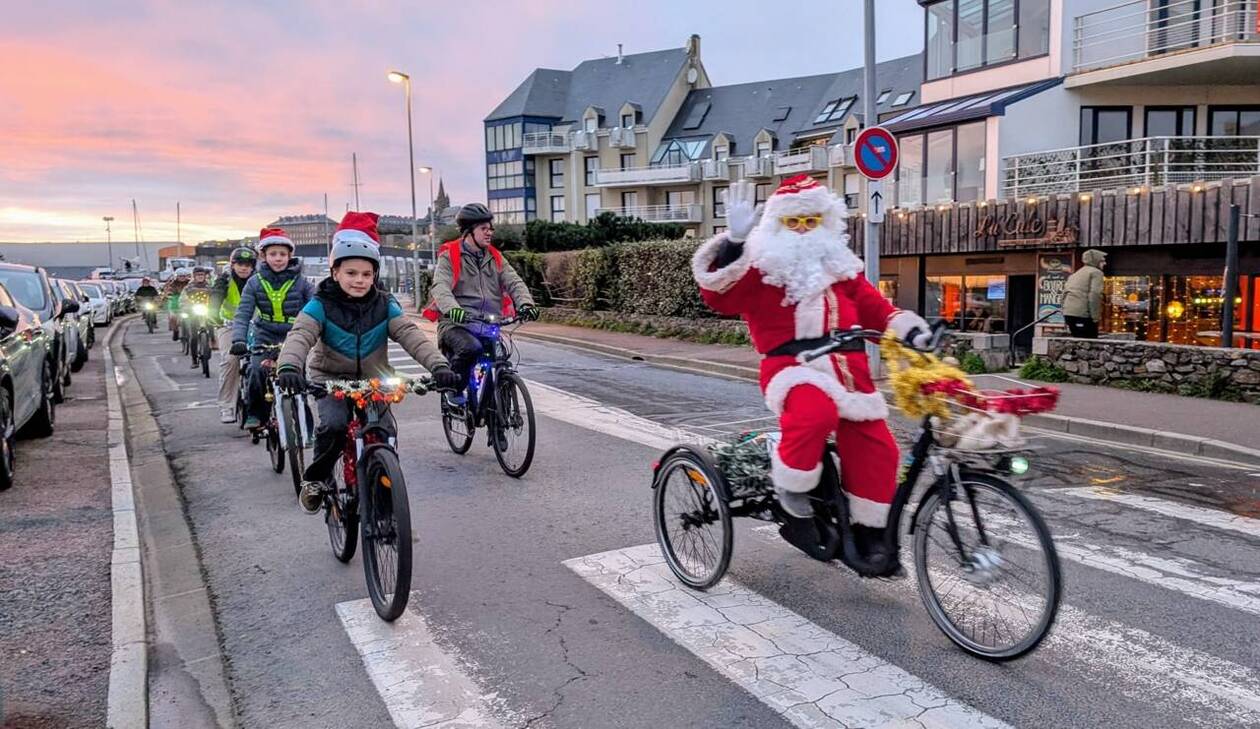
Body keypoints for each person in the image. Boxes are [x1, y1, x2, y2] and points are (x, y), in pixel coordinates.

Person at [691, 176, 931, 570]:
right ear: (776, 225)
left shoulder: (841, 269)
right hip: (792, 368)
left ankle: (869, 534)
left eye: (811, 221)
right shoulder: (760, 269)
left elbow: (878, 310)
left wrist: (911, 329)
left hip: (848, 374)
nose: (803, 229)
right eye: (793, 222)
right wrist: (733, 244)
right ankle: (792, 495)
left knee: (878, 445)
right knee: (813, 413)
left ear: (825, 221)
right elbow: (719, 296)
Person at [275, 212, 459, 513]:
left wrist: (439, 366)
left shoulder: (384, 304)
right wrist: (289, 367)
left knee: (386, 432)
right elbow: (300, 335)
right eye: (351, 273)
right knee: (334, 427)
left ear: (375, 275)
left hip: (375, 379)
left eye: (366, 274)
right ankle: (316, 480)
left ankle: (385, 496)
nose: (359, 280)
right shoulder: (320, 304)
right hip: (329, 378)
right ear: (335, 273)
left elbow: (411, 335)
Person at [423, 203, 539, 403]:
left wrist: (526, 304)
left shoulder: (495, 256)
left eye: (490, 228)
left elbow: (514, 281)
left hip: (486, 323)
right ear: (469, 232)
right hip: (456, 324)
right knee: (472, 349)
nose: (489, 233)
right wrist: (453, 310)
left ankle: (497, 425)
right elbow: (440, 287)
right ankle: (455, 389)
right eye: (484, 229)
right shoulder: (449, 256)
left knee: (500, 358)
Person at [229, 227, 315, 430]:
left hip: (294, 336)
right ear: (263, 256)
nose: (278, 259)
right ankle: (256, 414)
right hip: (264, 335)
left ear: (290, 256)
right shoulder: (254, 283)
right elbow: (243, 314)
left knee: (298, 378)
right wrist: (238, 340)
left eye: (283, 254)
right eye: (273, 254)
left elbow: (316, 309)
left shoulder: (302, 283)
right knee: (257, 371)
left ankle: (306, 424)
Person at [210, 247, 257, 422]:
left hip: (255, 327)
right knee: (230, 360)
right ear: (232, 265)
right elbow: (215, 298)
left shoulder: (259, 280)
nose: (244, 268)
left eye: (248, 265)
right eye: (240, 264)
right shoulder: (224, 280)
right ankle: (227, 406)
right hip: (228, 326)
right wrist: (213, 315)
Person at [1062, 249, 1106, 339]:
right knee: (1090, 344)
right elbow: (1095, 295)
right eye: (1102, 261)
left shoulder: (1076, 273)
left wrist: (1064, 310)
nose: (1105, 263)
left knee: (1078, 342)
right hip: (1083, 315)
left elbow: (1064, 294)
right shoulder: (1096, 273)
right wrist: (1095, 318)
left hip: (1069, 314)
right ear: (1095, 261)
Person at [161, 268, 191, 341]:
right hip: (175, 301)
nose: (182, 278)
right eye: (180, 276)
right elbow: (167, 290)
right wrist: (168, 296)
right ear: (176, 276)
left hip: (187, 301)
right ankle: (176, 331)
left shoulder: (190, 283)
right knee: (172, 317)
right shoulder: (171, 283)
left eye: (184, 276)